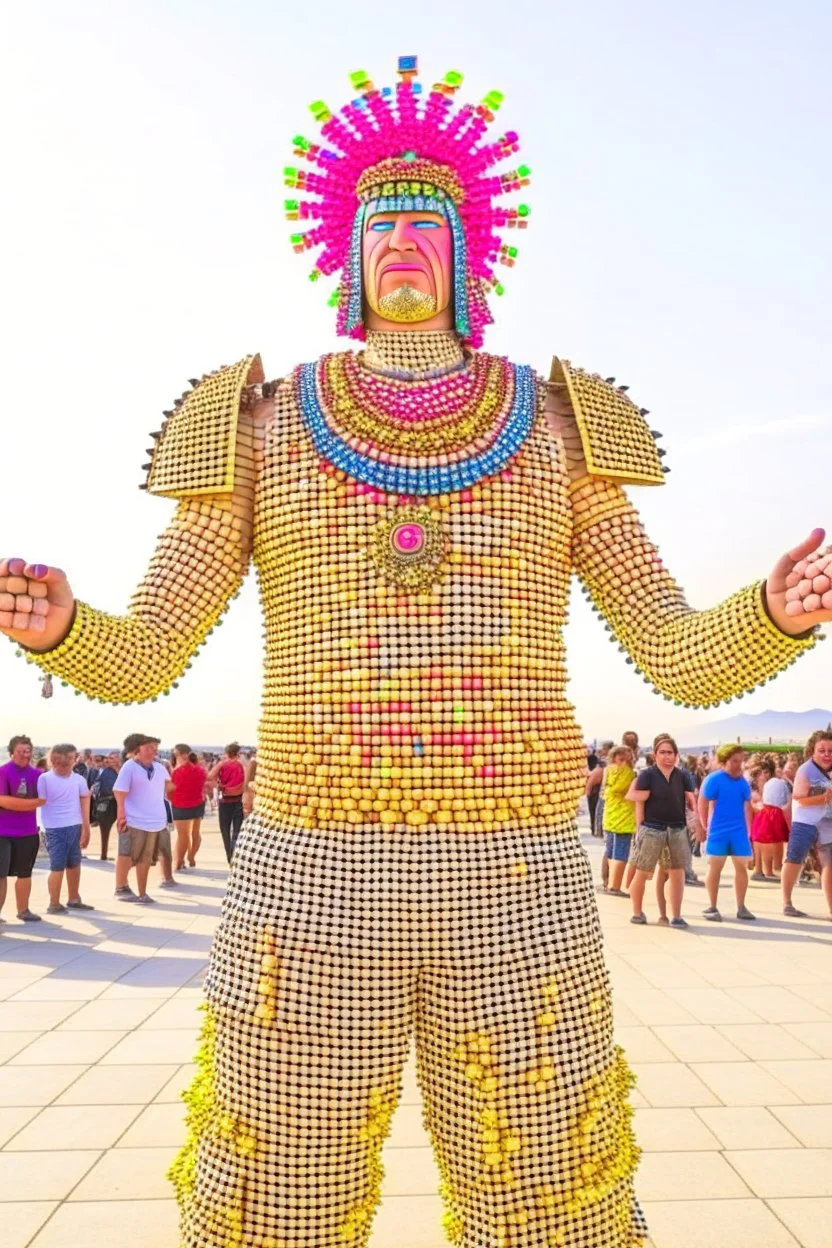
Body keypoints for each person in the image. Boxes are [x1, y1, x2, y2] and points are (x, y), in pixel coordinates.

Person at [3, 56, 830, 1248]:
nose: (401, 243)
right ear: (345, 255)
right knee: (274, 1205)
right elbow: (149, 654)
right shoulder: (259, 418)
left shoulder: (557, 423)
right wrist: (67, 629)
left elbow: (675, 655)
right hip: (312, 872)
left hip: (519, 879)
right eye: (379, 225)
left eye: (424, 227)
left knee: (552, 1205)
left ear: (465, 257)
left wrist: (776, 612)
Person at [627, 735, 697, 928]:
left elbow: (691, 800)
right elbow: (636, 801)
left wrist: (695, 819)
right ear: (655, 755)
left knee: (677, 872)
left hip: (677, 828)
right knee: (642, 871)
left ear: (676, 755)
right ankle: (637, 911)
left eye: (670, 753)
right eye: (663, 752)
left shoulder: (683, 775)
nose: (667, 756)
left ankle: (676, 915)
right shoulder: (647, 775)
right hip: (651, 828)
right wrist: (639, 828)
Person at [698, 744, 755, 921]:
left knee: (741, 868)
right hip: (718, 830)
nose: (739, 765)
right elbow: (703, 801)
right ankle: (712, 906)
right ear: (723, 762)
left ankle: (741, 907)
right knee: (715, 867)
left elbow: (748, 808)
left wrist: (749, 832)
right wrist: (703, 825)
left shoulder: (743, 783)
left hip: (738, 831)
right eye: (735, 761)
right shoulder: (714, 779)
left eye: (741, 761)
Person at [37, 744, 94, 914]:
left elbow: (85, 801)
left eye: (68, 759)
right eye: (58, 760)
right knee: (57, 866)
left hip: (74, 825)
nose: (63, 763)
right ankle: (54, 903)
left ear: (74, 759)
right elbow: (39, 802)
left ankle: (74, 898)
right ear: (52, 760)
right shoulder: (45, 779)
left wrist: (86, 827)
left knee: (74, 863)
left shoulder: (79, 780)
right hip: (54, 828)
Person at [781, 730, 832, 920]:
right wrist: (825, 797)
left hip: (827, 822)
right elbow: (799, 799)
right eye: (822, 750)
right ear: (813, 751)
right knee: (794, 859)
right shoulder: (806, 770)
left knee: (830, 864)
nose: (827, 754)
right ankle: (787, 902)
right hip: (805, 822)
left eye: (830, 751)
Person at [112, 734, 168, 904]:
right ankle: (120, 887)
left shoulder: (159, 768)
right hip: (133, 819)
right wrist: (121, 812)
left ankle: (142, 893)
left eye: (155, 747)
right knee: (126, 853)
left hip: (155, 820)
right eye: (149, 747)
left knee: (146, 857)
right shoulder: (129, 767)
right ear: (137, 749)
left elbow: (167, 786)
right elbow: (119, 791)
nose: (153, 751)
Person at [0, 734, 44, 923]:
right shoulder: (3, 772)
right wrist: (36, 803)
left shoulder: (37, 775)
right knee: (0, 875)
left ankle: (23, 910)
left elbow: (49, 797)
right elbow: (3, 800)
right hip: (3, 833)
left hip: (27, 832)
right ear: (11, 753)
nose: (25, 755)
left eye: (28, 751)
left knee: (25, 873)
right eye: (21, 751)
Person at [599, 745, 636, 895]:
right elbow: (622, 789)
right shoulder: (627, 773)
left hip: (609, 817)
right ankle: (615, 886)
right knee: (620, 853)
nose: (623, 763)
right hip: (624, 819)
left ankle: (607, 883)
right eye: (622, 759)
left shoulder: (607, 771)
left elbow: (607, 792)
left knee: (610, 851)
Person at [750, 758, 791, 880]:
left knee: (763, 841)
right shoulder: (774, 784)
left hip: (763, 815)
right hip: (767, 815)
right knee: (766, 841)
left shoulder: (770, 784)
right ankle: (763, 869)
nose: (762, 775)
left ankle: (764, 870)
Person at [168, 744, 207, 870]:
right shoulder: (199, 770)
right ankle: (191, 857)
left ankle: (179, 862)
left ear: (178, 753)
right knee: (195, 832)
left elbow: (171, 790)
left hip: (181, 804)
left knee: (183, 835)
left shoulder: (177, 771)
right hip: (198, 803)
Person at [209, 742, 245, 863]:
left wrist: (220, 786)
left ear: (227, 753)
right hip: (238, 800)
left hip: (224, 800)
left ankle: (229, 856)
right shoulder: (241, 765)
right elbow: (245, 782)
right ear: (238, 753)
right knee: (237, 831)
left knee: (225, 830)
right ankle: (235, 855)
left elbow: (210, 776)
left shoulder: (222, 764)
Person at [91, 750, 121, 860]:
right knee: (105, 830)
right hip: (107, 803)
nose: (110, 760)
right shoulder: (105, 772)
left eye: (113, 758)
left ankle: (122, 855)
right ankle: (104, 854)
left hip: (119, 803)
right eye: (109, 758)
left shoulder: (122, 771)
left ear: (119, 759)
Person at [585, 740, 612, 839]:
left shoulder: (606, 762)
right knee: (595, 811)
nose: (603, 751)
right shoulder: (602, 761)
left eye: (604, 749)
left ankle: (596, 829)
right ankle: (595, 829)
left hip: (598, 791)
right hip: (596, 790)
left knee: (597, 811)